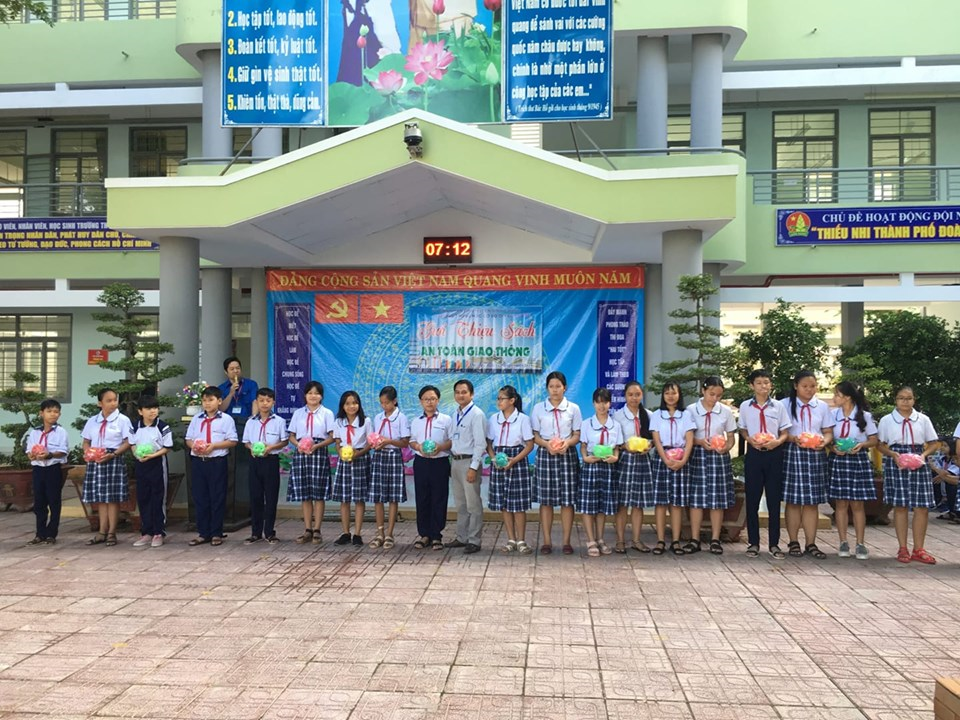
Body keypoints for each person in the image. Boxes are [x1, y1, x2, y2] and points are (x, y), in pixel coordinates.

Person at [877, 385, 939, 564]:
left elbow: (934, 443)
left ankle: (919, 548)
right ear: (895, 400)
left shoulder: (923, 419)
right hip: (897, 461)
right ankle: (902, 548)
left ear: (914, 400)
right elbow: (880, 445)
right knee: (900, 506)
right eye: (901, 398)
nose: (905, 401)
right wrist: (893, 455)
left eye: (909, 398)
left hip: (918, 460)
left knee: (921, 507)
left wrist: (923, 456)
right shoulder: (887, 420)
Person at [737, 369, 790, 559]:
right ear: (751, 385)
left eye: (766, 382)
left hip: (774, 454)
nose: (763, 386)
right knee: (752, 499)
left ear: (771, 385)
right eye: (759, 383)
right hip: (754, 454)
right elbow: (743, 429)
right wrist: (749, 439)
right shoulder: (745, 406)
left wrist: (777, 442)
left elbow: (785, 432)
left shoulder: (778, 406)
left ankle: (774, 544)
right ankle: (754, 543)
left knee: (774, 500)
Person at [780, 370, 833, 559]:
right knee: (793, 500)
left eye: (813, 386)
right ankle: (793, 541)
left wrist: (824, 442)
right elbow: (779, 431)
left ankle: (811, 543)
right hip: (793, 452)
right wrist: (794, 438)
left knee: (812, 501)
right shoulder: (784, 405)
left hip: (815, 454)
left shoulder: (822, 407)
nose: (809, 390)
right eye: (805, 386)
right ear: (796, 386)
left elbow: (828, 431)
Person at [531, 371, 582, 555]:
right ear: (547, 388)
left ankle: (566, 542)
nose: (555, 390)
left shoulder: (573, 408)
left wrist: (566, 444)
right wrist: (547, 445)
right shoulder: (538, 408)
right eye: (551, 386)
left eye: (558, 386)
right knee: (546, 501)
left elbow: (577, 434)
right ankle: (547, 541)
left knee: (567, 501)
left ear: (564, 388)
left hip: (567, 455)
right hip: (546, 454)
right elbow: (534, 435)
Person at [828, 381, 878, 560]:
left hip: (858, 459)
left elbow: (874, 440)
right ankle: (843, 541)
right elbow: (828, 437)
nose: (834, 398)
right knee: (841, 503)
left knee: (857, 504)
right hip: (839, 459)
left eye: (837, 394)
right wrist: (833, 447)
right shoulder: (832, 415)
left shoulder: (864, 416)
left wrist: (861, 445)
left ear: (847, 397)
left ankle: (860, 543)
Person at [687, 376, 736, 555]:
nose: (714, 398)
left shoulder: (725, 411)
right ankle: (695, 539)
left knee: (717, 499)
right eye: (711, 394)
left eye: (718, 395)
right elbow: (687, 436)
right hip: (697, 454)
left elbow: (730, 437)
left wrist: (726, 447)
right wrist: (700, 442)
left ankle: (715, 539)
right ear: (703, 391)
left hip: (718, 456)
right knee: (696, 499)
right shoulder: (691, 410)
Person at [184, 386, 238, 547]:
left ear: (219, 401)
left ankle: (216, 532)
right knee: (200, 497)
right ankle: (203, 533)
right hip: (198, 461)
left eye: (211, 400)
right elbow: (188, 438)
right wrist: (194, 446)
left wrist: (214, 446)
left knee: (217, 497)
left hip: (217, 462)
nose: (207, 403)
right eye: (204, 400)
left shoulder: (226, 419)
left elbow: (232, 441)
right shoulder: (196, 419)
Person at [81, 388, 133, 547]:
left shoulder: (122, 420)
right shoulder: (92, 421)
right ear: (100, 403)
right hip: (96, 460)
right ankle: (101, 532)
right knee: (101, 498)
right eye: (108, 401)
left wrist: (113, 454)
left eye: (115, 400)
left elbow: (128, 442)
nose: (113, 403)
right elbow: (86, 441)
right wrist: (88, 453)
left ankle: (112, 532)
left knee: (112, 498)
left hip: (113, 459)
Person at [487, 384, 535, 554]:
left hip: (517, 460)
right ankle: (511, 539)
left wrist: (514, 460)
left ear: (512, 400)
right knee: (504, 503)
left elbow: (529, 444)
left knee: (518, 504)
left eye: (502, 398)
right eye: (498, 398)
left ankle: (521, 540)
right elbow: (489, 443)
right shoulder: (493, 419)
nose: (499, 401)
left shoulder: (523, 419)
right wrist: (494, 458)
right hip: (499, 461)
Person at [287, 381, 335, 545]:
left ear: (321, 396)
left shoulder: (327, 413)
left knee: (318, 493)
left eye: (316, 393)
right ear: (305, 395)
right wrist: (298, 445)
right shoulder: (298, 413)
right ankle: (307, 529)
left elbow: (332, 437)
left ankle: (317, 530)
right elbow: (291, 435)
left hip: (318, 452)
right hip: (301, 453)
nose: (313, 396)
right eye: (310, 393)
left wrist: (316, 446)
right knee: (305, 493)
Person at [649, 381, 695, 556]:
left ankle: (675, 541)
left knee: (677, 503)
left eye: (674, 393)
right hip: (662, 459)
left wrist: (683, 460)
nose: (670, 396)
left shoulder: (686, 415)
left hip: (681, 459)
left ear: (679, 395)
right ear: (663, 395)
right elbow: (656, 440)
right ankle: (660, 540)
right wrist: (665, 459)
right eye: (667, 393)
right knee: (661, 503)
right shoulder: (656, 415)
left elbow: (689, 440)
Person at [578, 387, 623, 557]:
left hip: (608, 467)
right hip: (591, 466)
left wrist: (615, 457)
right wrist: (585, 458)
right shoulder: (586, 423)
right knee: (588, 504)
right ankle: (591, 540)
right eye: (598, 402)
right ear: (593, 404)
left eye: (605, 402)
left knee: (602, 505)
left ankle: (600, 539)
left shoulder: (615, 425)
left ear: (610, 403)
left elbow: (617, 447)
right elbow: (583, 445)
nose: (601, 406)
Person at [409, 385, 453, 550]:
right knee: (422, 498)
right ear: (421, 401)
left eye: (433, 399)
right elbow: (412, 441)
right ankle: (424, 535)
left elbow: (451, 440)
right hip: (421, 462)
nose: (430, 402)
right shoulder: (416, 421)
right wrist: (418, 447)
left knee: (439, 498)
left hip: (439, 462)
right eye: (426, 399)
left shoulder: (446, 420)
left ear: (438, 400)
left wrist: (440, 447)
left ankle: (436, 535)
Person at [241, 387, 287, 545]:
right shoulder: (250, 422)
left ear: (273, 402)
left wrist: (271, 448)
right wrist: (252, 448)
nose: (264, 403)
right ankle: (255, 532)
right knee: (255, 497)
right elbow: (246, 442)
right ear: (256, 402)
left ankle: (269, 532)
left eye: (268, 400)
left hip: (271, 460)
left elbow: (284, 441)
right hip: (255, 461)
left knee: (271, 497)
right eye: (261, 400)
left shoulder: (279, 421)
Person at [613, 380, 655, 554]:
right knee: (622, 503)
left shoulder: (648, 415)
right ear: (625, 396)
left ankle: (636, 540)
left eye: (637, 394)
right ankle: (620, 540)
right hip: (625, 461)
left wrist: (649, 446)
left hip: (643, 461)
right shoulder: (618, 416)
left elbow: (654, 438)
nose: (634, 398)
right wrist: (625, 446)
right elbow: (614, 441)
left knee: (638, 504)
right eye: (630, 395)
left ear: (642, 395)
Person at [367, 385, 410, 550]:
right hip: (379, 456)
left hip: (393, 456)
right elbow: (374, 438)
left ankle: (390, 534)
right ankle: (380, 533)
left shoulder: (401, 418)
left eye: (387, 402)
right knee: (378, 497)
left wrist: (388, 441)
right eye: (382, 403)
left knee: (393, 497)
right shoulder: (378, 418)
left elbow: (404, 442)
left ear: (395, 401)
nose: (384, 406)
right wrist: (375, 443)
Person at [448, 379, 487, 554]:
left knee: (473, 504)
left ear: (472, 394)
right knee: (461, 504)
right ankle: (462, 537)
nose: (460, 395)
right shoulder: (455, 414)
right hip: (456, 461)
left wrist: (473, 467)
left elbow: (480, 444)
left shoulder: (477, 414)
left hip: (469, 462)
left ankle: (474, 540)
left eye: (464, 392)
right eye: (457, 392)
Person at [129, 396, 173, 548]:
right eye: (148, 408)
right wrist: (137, 455)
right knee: (143, 497)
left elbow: (167, 447)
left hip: (157, 464)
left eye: (155, 408)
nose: (152, 411)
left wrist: (152, 456)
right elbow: (132, 444)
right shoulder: (135, 426)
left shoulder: (163, 426)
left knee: (158, 498)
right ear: (140, 411)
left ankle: (158, 532)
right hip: (141, 464)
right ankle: (146, 532)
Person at [24, 398, 69, 546]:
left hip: (52, 469)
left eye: (56, 412)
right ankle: (40, 533)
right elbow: (29, 450)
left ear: (60, 414)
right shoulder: (35, 432)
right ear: (41, 413)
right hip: (38, 469)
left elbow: (63, 451)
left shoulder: (61, 432)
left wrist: (49, 455)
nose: (53, 414)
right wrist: (31, 455)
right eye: (49, 411)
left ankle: (51, 533)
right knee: (39, 502)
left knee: (54, 501)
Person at [332, 390, 372, 547]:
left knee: (359, 499)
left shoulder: (366, 421)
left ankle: (357, 534)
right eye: (348, 403)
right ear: (343, 406)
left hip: (360, 459)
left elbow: (369, 443)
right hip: (344, 461)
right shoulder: (339, 422)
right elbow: (337, 442)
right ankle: (345, 533)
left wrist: (357, 453)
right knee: (345, 499)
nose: (351, 406)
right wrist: (341, 453)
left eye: (355, 403)